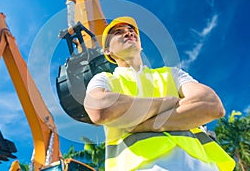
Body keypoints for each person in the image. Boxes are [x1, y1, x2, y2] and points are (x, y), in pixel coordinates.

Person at [84, 16, 235, 171]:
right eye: (118, 32)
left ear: (141, 46)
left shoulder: (171, 74)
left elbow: (212, 106)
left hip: (202, 165)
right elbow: (100, 109)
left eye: (131, 31)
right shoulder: (104, 79)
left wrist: (144, 124)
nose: (129, 33)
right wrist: (170, 102)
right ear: (107, 51)